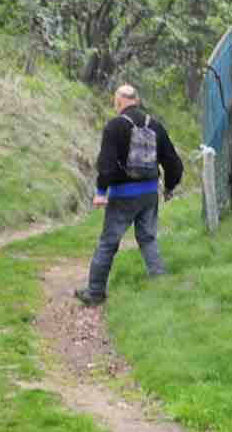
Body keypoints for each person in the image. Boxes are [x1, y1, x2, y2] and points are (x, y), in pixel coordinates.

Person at [74, 83, 183, 307]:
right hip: (149, 193)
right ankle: (161, 283)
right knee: (148, 238)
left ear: (119, 101)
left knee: (108, 242)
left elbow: (106, 162)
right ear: (137, 100)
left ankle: (95, 293)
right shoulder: (155, 125)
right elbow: (173, 161)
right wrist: (169, 187)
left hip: (122, 195)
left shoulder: (115, 126)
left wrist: (101, 192)